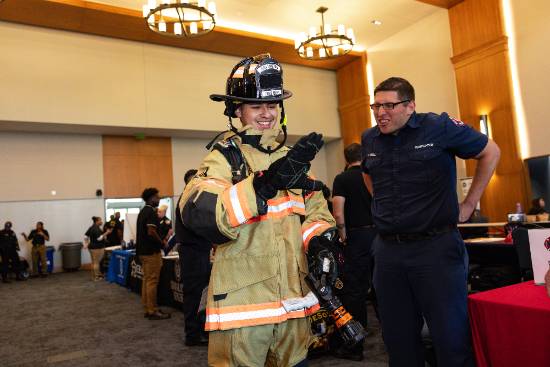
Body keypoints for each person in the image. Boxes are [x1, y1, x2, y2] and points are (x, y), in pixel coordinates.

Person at [179, 53, 334, 366]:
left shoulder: (293, 160)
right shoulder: (225, 157)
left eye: (273, 105)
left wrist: (319, 242)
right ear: (238, 110)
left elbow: (316, 214)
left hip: (294, 305)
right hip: (244, 312)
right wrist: (259, 187)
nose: (267, 114)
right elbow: (196, 210)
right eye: (257, 106)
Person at [361, 77, 500, 367]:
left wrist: (470, 203)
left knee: (450, 340)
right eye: (376, 105)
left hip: (435, 248)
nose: (380, 112)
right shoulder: (369, 138)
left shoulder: (439, 127)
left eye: (389, 105)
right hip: (388, 252)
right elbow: (367, 173)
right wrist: (383, 205)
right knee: (398, 342)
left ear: (410, 105)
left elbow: (491, 151)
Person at [330, 143, 377, 361]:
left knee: (355, 292)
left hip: (357, 239)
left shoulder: (342, 179)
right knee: (382, 287)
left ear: (346, 158)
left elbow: (338, 213)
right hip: (380, 236)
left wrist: (342, 236)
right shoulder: (374, 174)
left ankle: (356, 344)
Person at [175, 168, 213, 347]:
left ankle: (197, 330)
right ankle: (192, 334)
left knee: (200, 293)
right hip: (193, 253)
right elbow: (199, 227)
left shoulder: (191, 199)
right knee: (194, 294)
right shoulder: (188, 200)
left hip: (198, 252)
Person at [136, 187, 171, 320]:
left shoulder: (143, 211)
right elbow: (151, 231)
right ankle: (153, 310)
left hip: (143, 252)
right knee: (152, 281)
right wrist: (162, 242)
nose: (159, 198)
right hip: (151, 252)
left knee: (146, 280)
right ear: (151, 198)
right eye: (157, 196)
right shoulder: (151, 212)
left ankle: (147, 307)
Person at [85, 216, 111, 281]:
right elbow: (99, 238)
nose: (101, 221)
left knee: (94, 262)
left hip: (92, 247)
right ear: (97, 221)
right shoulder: (96, 228)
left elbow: (85, 236)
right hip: (96, 248)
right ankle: (96, 277)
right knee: (96, 262)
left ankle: (94, 276)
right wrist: (107, 233)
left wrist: (86, 243)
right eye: (100, 220)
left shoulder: (91, 227)